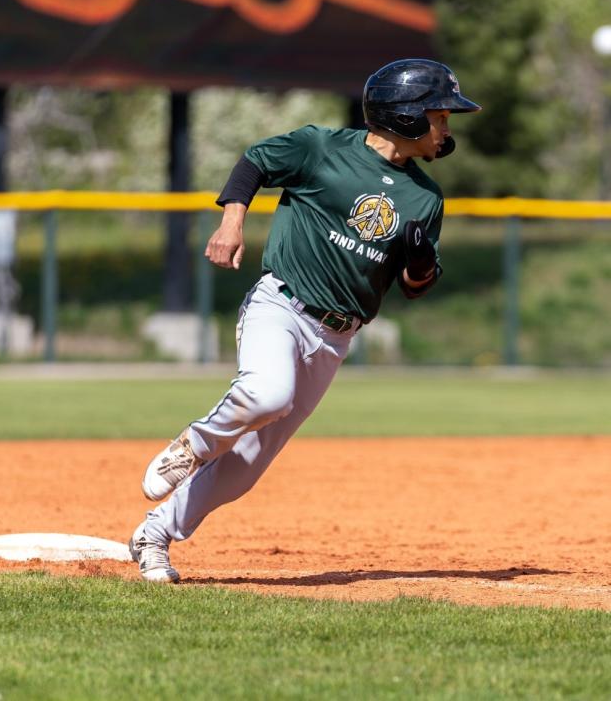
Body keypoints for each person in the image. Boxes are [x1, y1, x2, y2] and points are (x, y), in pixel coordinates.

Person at [129, 58, 481, 582]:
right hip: (281, 305)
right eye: (440, 114)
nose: (448, 126)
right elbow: (255, 162)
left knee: (244, 471)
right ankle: (195, 443)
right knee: (268, 392)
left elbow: (413, 287)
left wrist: (422, 264)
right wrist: (232, 222)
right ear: (405, 116)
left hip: (336, 338)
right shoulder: (323, 148)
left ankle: (153, 535)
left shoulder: (425, 197)